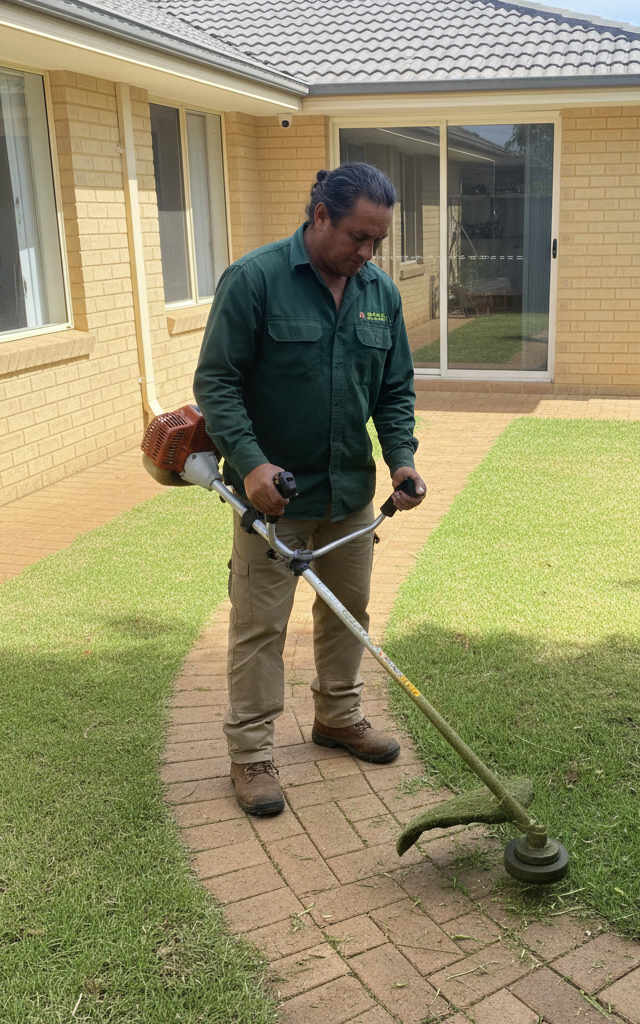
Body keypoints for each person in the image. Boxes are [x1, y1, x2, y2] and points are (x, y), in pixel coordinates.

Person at [194, 162, 426, 817]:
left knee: (348, 615)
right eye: (357, 236)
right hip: (274, 499)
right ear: (320, 215)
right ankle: (250, 755)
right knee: (259, 629)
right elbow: (217, 383)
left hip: (348, 494)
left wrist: (401, 461)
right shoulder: (256, 280)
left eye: (377, 240)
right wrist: (252, 462)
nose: (367, 252)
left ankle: (338, 718)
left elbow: (394, 389)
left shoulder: (379, 292)